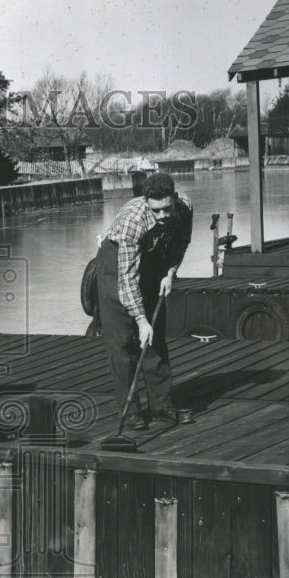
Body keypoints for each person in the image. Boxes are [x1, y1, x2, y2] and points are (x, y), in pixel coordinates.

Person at [95, 172, 192, 429]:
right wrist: (140, 319)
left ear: (174, 198)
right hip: (116, 267)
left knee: (154, 337)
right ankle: (131, 411)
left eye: (167, 209)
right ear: (147, 201)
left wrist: (170, 271)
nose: (163, 215)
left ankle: (162, 407)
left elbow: (181, 242)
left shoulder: (184, 208)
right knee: (124, 342)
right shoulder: (132, 222)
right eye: (156, 210)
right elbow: (127, 279)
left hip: (152, 261)